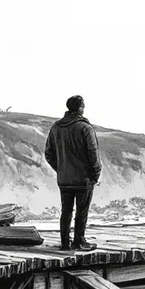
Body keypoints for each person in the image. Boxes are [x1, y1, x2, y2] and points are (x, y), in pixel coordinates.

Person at [44, 94, 101, 251]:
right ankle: (79, 241)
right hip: (83, 178)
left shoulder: (56, 127)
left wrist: (61, 169)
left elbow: (48, 153)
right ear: (80, 108)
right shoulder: (85, 128)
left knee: (66, 211)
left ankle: (65, 243)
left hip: (64, 179)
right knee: (81, 212)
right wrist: (95, 174)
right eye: (83, 105)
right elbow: (93, 155)